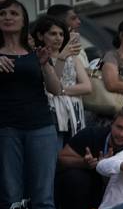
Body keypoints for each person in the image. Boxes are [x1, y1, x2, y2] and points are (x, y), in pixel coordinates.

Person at [0, 0, 64, 209]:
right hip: (6, 127)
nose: (8, 17)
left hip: (40, 126)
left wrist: (46, 63)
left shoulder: (35, 51)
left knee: (43, 193)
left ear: (25, 19)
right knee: (9, 192)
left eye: (14, 12)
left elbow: (55, 89)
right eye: (2, 13)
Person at [31, 15, 90, 147]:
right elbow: (51, 84)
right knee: (53, 153)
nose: (58, 38)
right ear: (40, 36)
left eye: (61, 34)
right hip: (49, 113)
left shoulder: (73, 58)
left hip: (74, 113)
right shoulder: (36, 57)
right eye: (53, 34)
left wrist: (61, 90)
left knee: (71, 151)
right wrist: (61, 58)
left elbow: (87, 87)